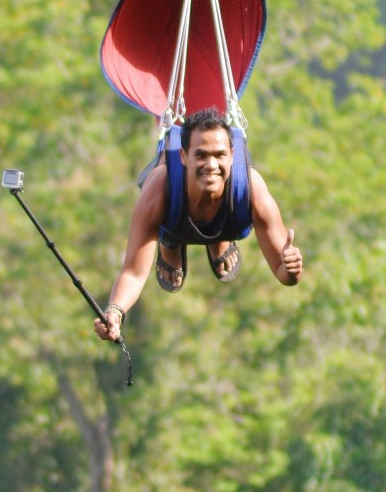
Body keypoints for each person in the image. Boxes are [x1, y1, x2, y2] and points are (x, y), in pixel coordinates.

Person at [94, 107, 303, 343]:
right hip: (174, 218)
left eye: (219, 155)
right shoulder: (159, 189)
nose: (211, 165)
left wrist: (292, 270)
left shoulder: (251, 188)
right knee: (170, 221)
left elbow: (282, 273)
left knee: (226, 215)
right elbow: (133, 271)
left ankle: (218, 236)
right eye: (201, 155)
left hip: (230, 220)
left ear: (232, 155)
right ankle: (170, 241)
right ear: (184, 156)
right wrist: (115, 312)